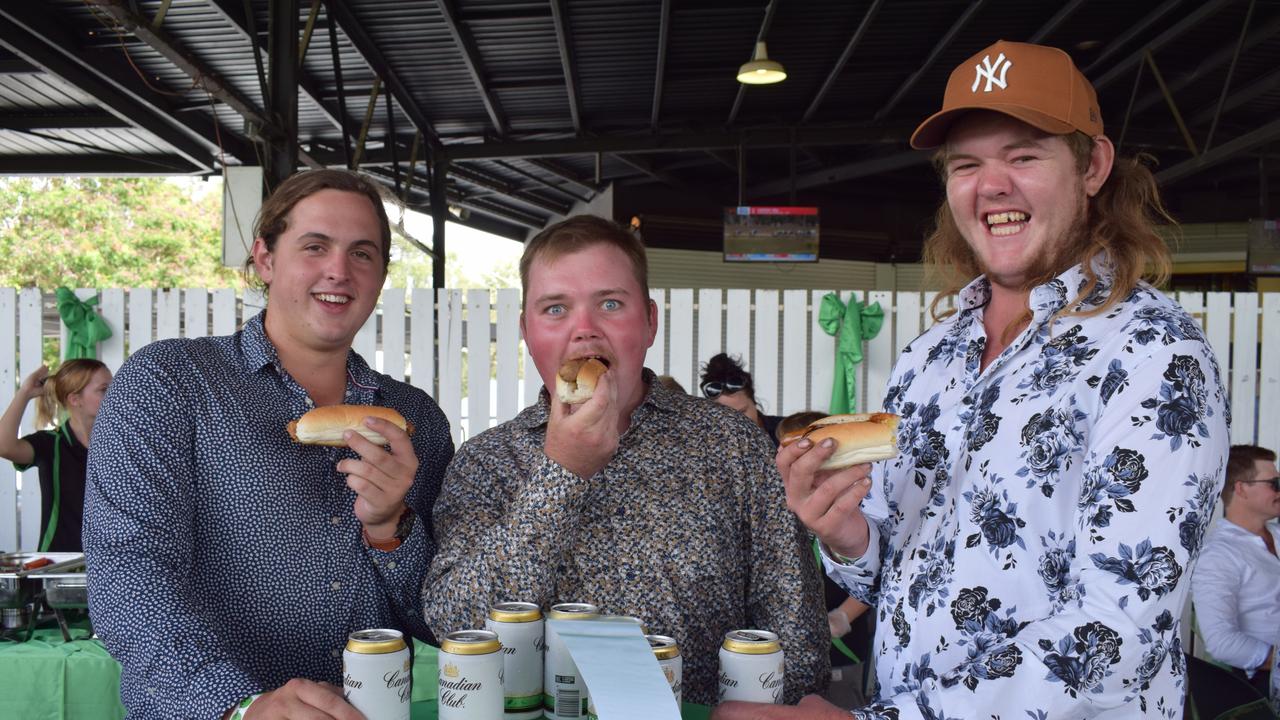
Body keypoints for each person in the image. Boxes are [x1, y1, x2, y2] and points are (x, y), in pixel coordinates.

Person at [715, 40, 1230, 720]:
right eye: (967, 165)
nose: (992, 186)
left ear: (1093, 166)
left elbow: (1120, 632)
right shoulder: (930, 357)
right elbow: (891, 566)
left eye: (1024, 156)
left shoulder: (1156, 354)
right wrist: (845, 536)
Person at [83, 169, 454, 720]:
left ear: (379, 276)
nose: (338, 270)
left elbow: (437, 616)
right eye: (314, 246)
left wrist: (388, 529)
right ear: (265, 258)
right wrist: (239, 707)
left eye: (362, 253)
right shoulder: (172, 382)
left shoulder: (416, 418)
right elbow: (128, 576)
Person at [422, 215, 829, 705]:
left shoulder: (731, 443)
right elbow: (455, 623)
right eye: (555, 309)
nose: (585, 331)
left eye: (610, 304)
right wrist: (561, 473)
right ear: (527, 332)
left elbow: (793, 618)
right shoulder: (488, 460)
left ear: (650, 321)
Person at [1191, 445, 1279, 699]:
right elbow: (1222, 642)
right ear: (1241, 488)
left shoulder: (1276, 535)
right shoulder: (1219, 555)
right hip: (1263, 685)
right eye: (1274, 483)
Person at [0, 359, 111, 552]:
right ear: (75, 399)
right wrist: (25, 392)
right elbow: (4, 446)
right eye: (104, 389)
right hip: (59, 564)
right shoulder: (51, 443)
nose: (115, 395)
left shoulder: (122, 444)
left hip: (112, 563)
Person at [700, 352, 785, 447]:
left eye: (742, 412)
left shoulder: (787, 430)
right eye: (726, 416)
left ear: (753, 401)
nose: (737, 421)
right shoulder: (707, 445)